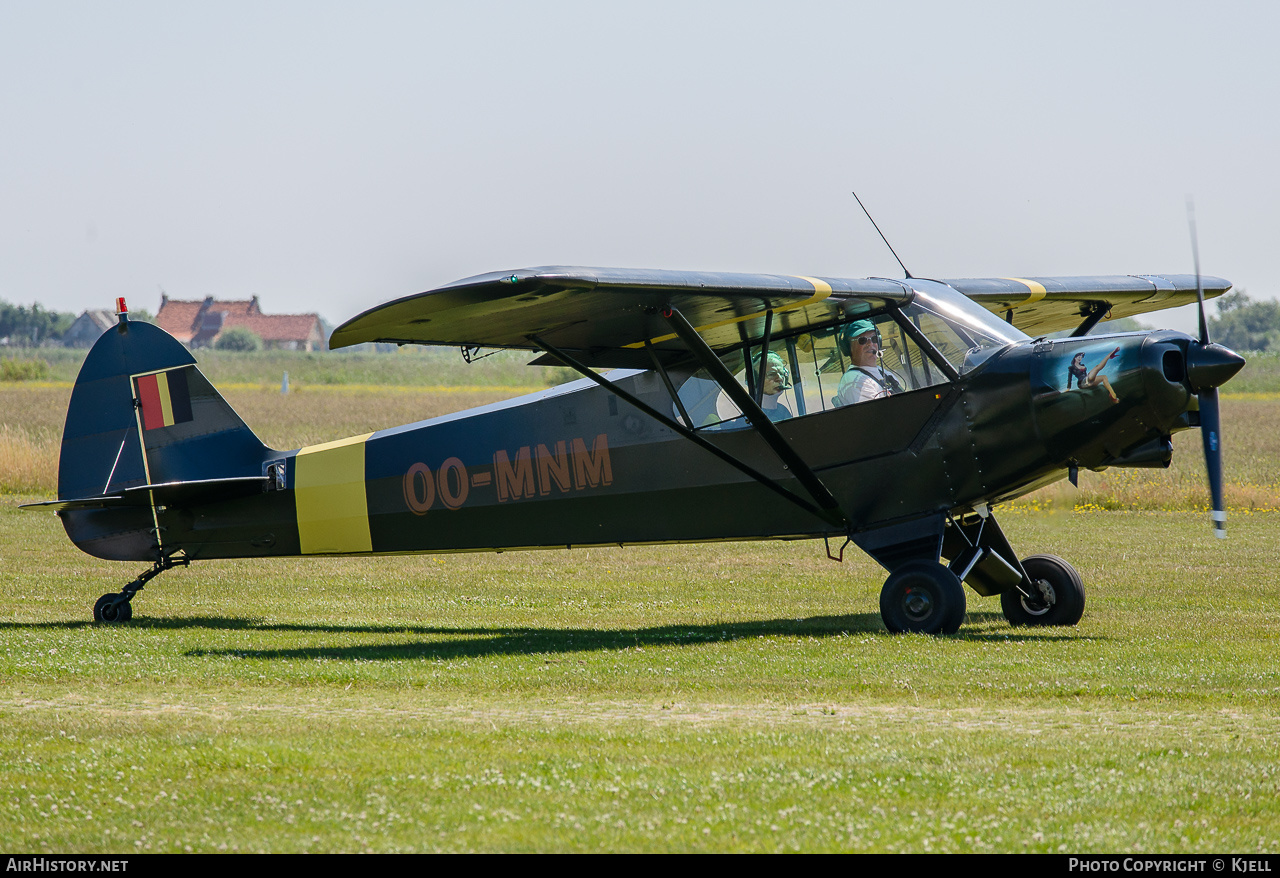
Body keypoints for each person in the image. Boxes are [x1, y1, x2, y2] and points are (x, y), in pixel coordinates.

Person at [833, 319, 902, 407]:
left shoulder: (883, 372)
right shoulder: (854, 380)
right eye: (862, 340)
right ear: (848, 347)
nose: (870, 344)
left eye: (874, 339)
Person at [752, 351, 793, 421]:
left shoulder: (783, 411)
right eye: (771, 374)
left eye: (781, 373)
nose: (780, 379)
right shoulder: (750, 417)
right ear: (755, 380)